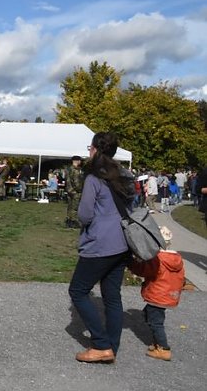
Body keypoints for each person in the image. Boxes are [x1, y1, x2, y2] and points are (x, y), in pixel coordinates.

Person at [68, 132, 134, 363]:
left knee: (78, 291)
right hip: (122, 242)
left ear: (95, 149)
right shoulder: (125, 175)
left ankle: (101, 344)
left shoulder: (94, 178)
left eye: (90, 148)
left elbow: (85, 214)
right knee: (112, 296)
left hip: (100, 243)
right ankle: (111, 346)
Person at [128, 226, 185, 361]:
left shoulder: (158, 259)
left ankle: (163, 349)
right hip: (169, 295)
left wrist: (132, 263)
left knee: (156, 322)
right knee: (150, 314)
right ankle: (157, 343)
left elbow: (144, 271)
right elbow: (181, 278)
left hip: (157, 295)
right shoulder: (176, 258)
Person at [64, 156, 83, 229]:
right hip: (75, 192)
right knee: (75, 208)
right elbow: (77, 183)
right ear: (77, 161)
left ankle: (68, 220)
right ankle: (73, 222)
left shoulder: (68, 169)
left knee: (69, 206)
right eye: (80, 160)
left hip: (69, 190)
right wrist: (80, 189)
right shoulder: (76, 171)